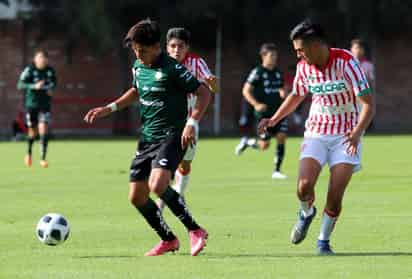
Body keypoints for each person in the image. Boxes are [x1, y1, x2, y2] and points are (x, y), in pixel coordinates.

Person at [84, 19, 211, 256]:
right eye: (135, 51)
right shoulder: (138, 66)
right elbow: (135, 91)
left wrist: (192, 123)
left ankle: (195, 230)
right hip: (147, 138)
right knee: (136, 196)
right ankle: (168, 239)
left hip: (173, 135)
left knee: (158, 184)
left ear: (156, 47)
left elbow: (203, 92)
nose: (138, 55)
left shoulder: (172, 68)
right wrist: (108, 108)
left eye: (142, 50)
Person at [258, 20, 375, 255]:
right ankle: (306, 212)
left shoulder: (346, 62)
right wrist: (273, 119)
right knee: (303, 187)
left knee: (335, 193)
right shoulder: (304, 67)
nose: (298, 55)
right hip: (317, 132)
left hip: (347, 135)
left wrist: (357, 133)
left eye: (301, 49)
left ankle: (323, 240)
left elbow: (368, 104)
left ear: (317, 45)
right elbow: (296, 95)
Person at [156, 27, 216, 209]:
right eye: (172, 46)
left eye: (180, 46)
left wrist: (213, 83)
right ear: (167, 47)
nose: (176, 50)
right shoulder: (159, 64)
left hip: (189, 122)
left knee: (185, 164)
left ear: (187, 47)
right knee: (163, 162)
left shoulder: (196, 64)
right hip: (165, 121)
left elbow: (213, 88)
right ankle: (163, 200)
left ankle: (178, 194)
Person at [235, 43, 288, 179]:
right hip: (263, 115)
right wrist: (256, 104)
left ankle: (277, 171)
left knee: (281, 137)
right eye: (271, 55)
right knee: (264, 145)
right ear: (263, 56)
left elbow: (283, 88)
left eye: (275, 55)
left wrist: (284, 92)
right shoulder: (258, 72)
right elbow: (246, 90)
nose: (274, 58)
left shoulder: (278, 73)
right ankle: (247, 142)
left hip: (278, 113)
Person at [17, 49, 57, 168]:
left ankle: (43, 158)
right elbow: (20, 84)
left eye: (44, 58)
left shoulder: (50, 71)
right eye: (39, 57)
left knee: (43, 128)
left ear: (47, 59)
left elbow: (54, 83)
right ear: (35, 59)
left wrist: (51, 89)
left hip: (45, 105)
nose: (42, 60)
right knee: (32, 131)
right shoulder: (29, 70)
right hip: (32, 104)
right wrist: (34, 86)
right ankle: (29, 153)